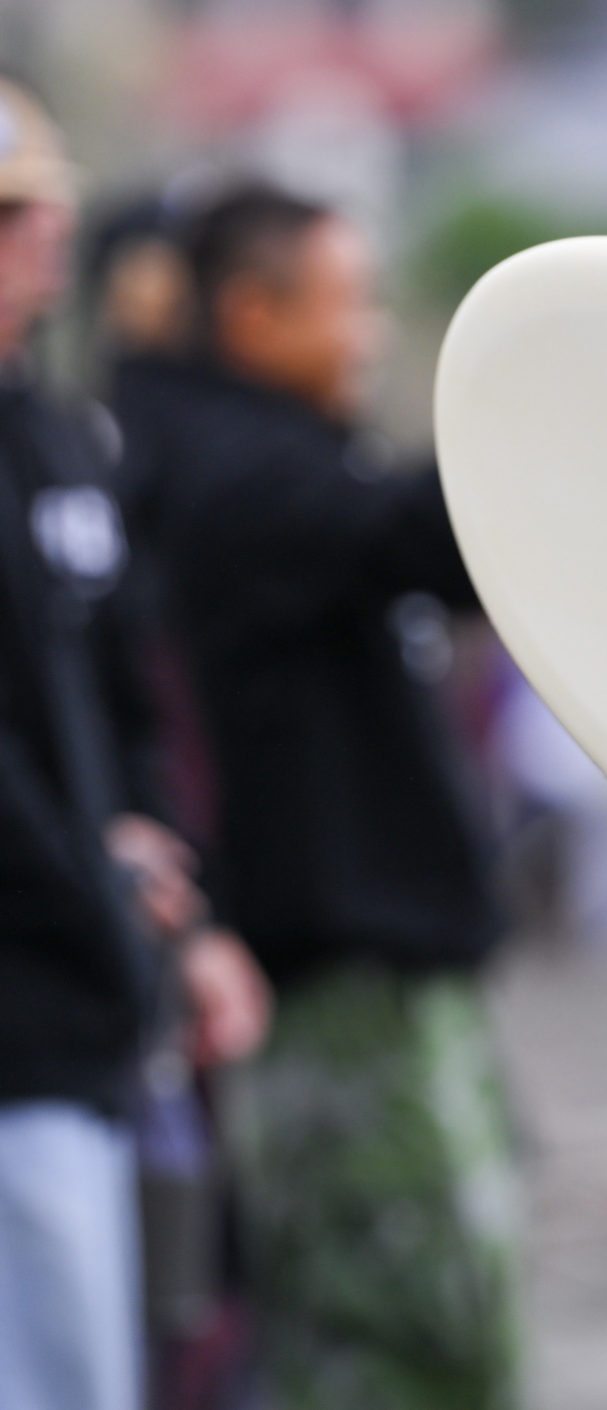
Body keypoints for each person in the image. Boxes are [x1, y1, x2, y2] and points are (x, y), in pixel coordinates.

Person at [122, 183, 521, 1410]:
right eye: (350, 304)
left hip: (368, 978)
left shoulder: (256, 449)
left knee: (421, 1320)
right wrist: (561, 412)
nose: (370, 334)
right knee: (397, 1328)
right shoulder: (229, 473)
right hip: (335, 995)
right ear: (253, 313)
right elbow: (422, 533)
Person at [0, 83, 268, 1410]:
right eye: (15, 212)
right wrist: (93, 885)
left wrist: (174, 906)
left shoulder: (58, 440)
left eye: (46, 205)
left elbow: (127, 696)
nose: (47, 232)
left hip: (80, 1009)